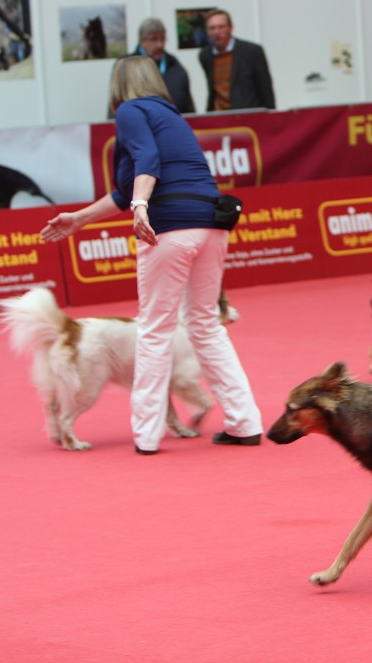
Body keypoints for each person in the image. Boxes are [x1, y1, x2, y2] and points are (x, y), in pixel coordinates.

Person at [39, 56, 263, 455]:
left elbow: (147, 163)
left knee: (155, 329)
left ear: (118, 84)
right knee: (206, 326)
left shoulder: (129, 111)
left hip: (171, 226)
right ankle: (245, 422)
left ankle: (146, 434)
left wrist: (141, 206)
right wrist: (81, 219)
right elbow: (125, 190)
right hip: (212, 225)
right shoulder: (172, 118)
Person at [198, 8, 275, 112]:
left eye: (221, 27)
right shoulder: (205, 55)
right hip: (219, 117)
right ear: (207, 32)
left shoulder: (252, 51)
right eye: (212, 28)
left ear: (230, 28)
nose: (217, 32)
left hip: (247, 116)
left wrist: (270, 116)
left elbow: (265, 89)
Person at [133, 17, 195, 113]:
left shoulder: (174, 65)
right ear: (141, 42)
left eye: (163, 38)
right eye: (153, 39)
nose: (160, 45)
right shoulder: (127, 66)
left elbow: (188, 105)